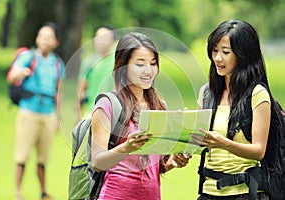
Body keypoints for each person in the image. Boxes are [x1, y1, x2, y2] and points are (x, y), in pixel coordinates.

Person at [91, 32, 192, 200]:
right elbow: (98, 163)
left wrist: (173, 161)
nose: (148, 71)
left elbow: (154, 167)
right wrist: (126, 148)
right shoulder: (108, 104)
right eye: (140, 64)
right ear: (123, 66)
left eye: (153, 63)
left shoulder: (159, 106)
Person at [196, 19, 271, 199]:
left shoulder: (257, 94)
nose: (217, 58)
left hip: (243, 192)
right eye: (215, 51)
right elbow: (200, 141)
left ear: (243, 54)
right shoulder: (207, 93)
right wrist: (181, 133)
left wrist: (223, 142)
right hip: (209, 191)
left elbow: (259, 150)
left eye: (225, 52)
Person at [7, 22, 65, 200]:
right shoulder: (28, 56)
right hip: (29, 110)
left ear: (56, 42)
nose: (44, 40)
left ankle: (43, 191)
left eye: (49, 37)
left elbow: (59, 91)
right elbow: (11, 77)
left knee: (43, 157)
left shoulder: (57, 63)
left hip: (48, 113)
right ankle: (18, 192)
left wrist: (59, 117)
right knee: (22, 154)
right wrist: (20, 73)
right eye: (42, 36)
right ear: (37, 38)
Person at [77, 25, 116, 120]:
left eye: (105, 38)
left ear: (112, 41)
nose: (100, 41)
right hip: (91, 112)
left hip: (113, 114)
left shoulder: (118, 61)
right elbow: (81, 90)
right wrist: (77, 114)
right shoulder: (89, 62)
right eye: (98, 38)